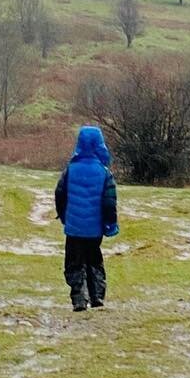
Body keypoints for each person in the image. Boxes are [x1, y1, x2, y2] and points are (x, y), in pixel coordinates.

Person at [54, 124, 118, 311]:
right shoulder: (104, 172)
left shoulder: (70, 170)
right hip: (95, 229)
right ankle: (97, 295)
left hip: (74, 228)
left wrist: (64, 216)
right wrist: (110, 223)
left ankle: (79, 298)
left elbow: (60, 194)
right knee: (94, 260)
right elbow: (109, 202)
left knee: (74, 262)